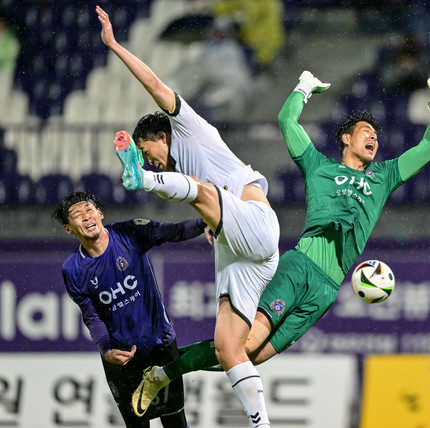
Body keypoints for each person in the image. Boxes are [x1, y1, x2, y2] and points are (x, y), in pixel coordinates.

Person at [131, 62, 430, 406]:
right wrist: (303, 87)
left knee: (254, 357)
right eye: (366, 131)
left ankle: (165, 370)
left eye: (376, 135)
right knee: (242, 346)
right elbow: (287, 122)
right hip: (300, 266)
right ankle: (161, 372)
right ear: (346, 139)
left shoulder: (385, 176)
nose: (374, 137)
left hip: (328, 289)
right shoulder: (318, 166)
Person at [96, 7, 279, 428]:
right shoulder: (180, 171)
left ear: (162, 136)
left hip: (256, 221)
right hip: (241, 249)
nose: (152, 158)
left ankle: (135, 179)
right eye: (144, 160)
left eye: (147, 153)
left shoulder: (189, 129)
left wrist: (115, 46)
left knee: (200, 189)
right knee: (228, 348)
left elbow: (155, 83)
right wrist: (215, 226)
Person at [52, 191, 203, 427]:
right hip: (122, 358)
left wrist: (209, 222)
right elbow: (91, 316)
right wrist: (106, 349)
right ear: (68, 229)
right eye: (76, 215)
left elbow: (177, 231)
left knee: (175, 423)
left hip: (160, 346)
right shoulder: (72, 269)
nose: (86, 216)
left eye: (89, 209)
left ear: (100, 214)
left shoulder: (129, 233)